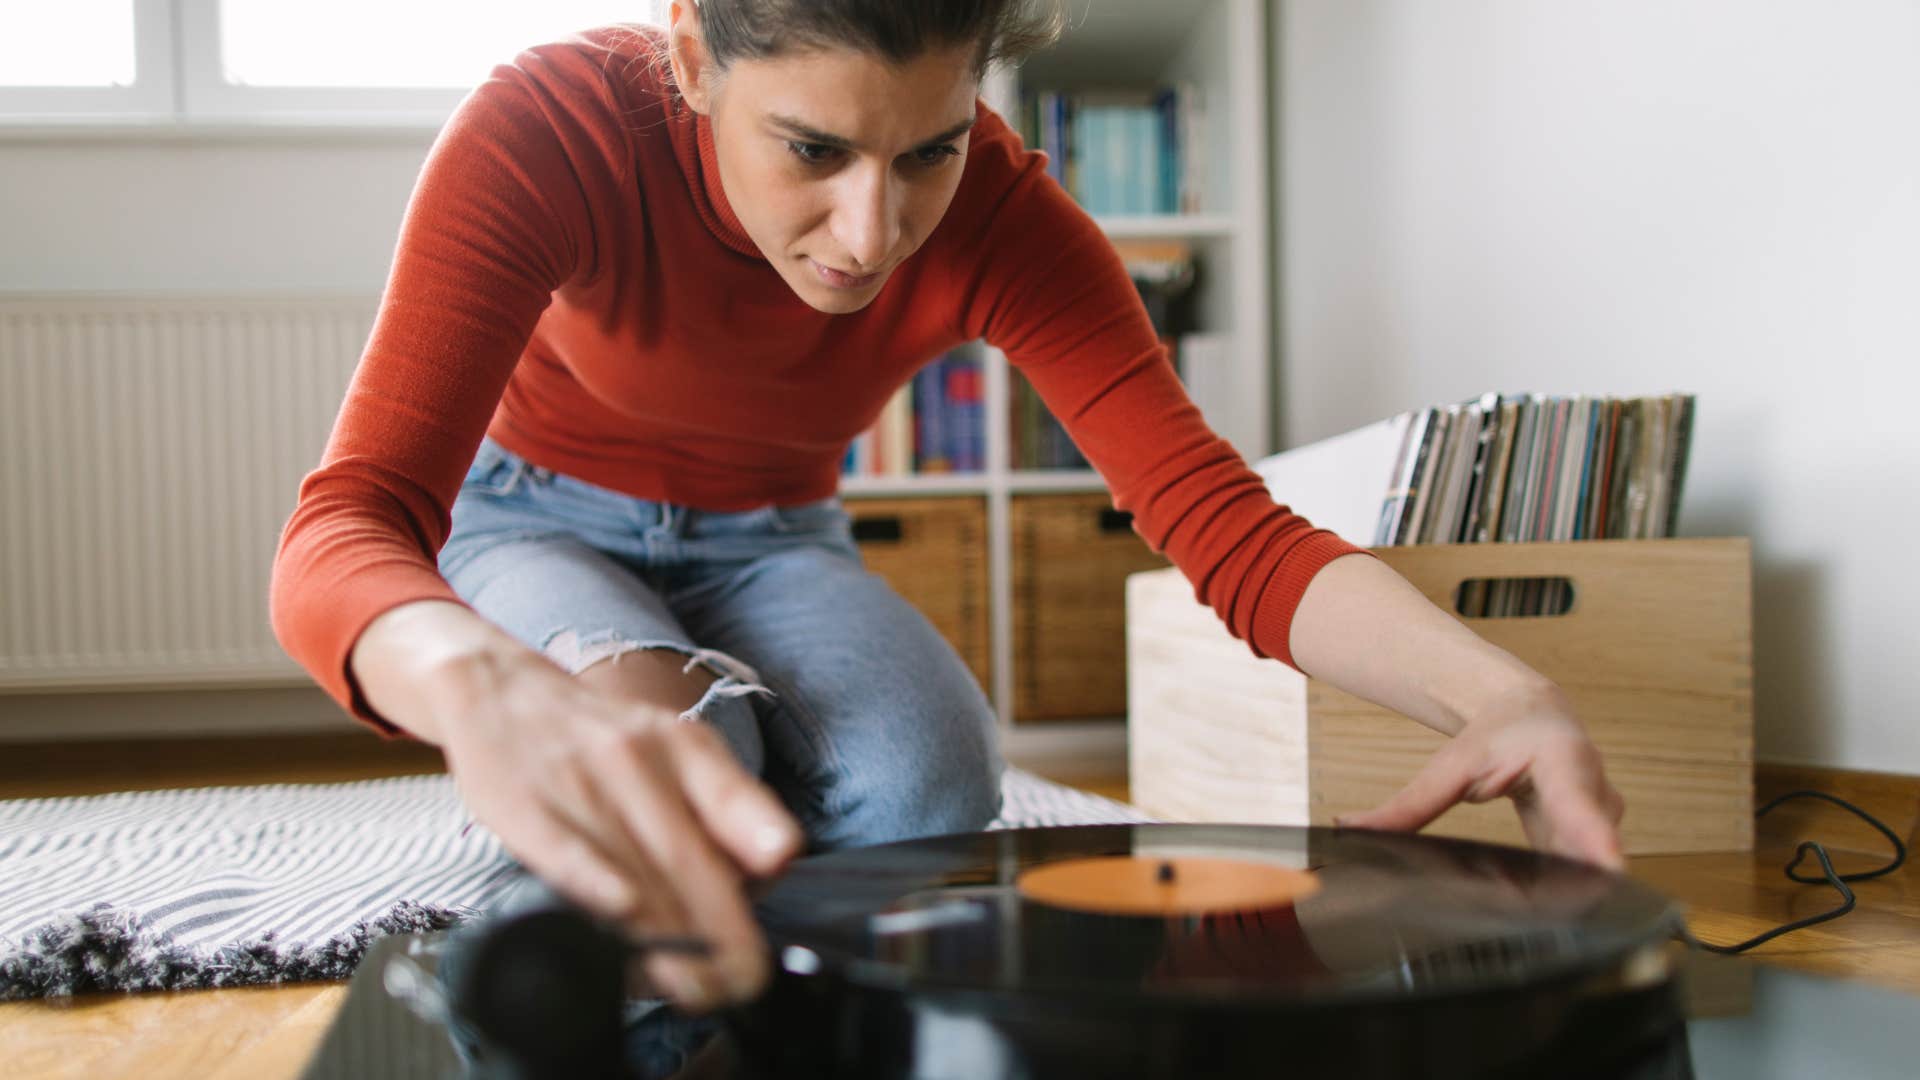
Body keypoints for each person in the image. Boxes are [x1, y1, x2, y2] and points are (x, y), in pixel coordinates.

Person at [269, 0, 1626, 1020]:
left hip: (774, 538)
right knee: (674, 738)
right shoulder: (551, 130)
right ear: (690, 54)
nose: (871, 232)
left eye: (930, 150)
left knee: (934, 779)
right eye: (811, 148)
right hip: (531, 520)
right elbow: (351, 523)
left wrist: (1499, 691)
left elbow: (1227, 528)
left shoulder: (1005, 220)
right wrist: (473, 685)